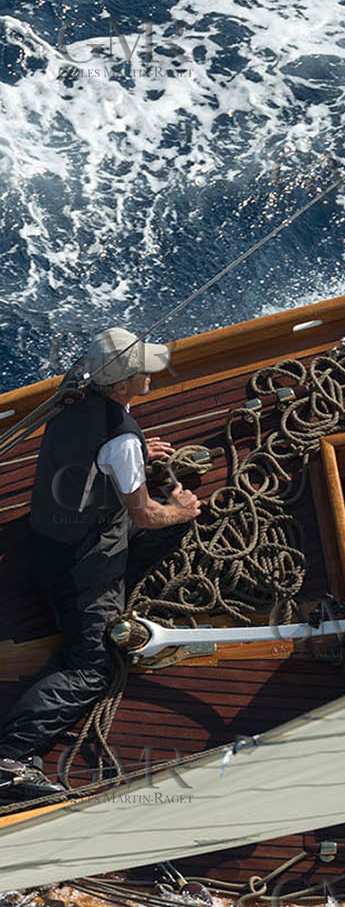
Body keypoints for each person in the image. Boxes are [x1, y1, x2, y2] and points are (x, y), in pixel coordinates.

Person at [0, 328, 201, 799]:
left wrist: (135, 456)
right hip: (77, 563)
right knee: (93, 667)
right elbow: (144, 515)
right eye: (142, 371)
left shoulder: (74, 389)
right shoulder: (120, 438)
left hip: (50, 531)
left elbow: (90, 448)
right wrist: (181, 509)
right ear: (121, 384)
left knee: (167, 526)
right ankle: (10, 757)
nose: (151, 375)